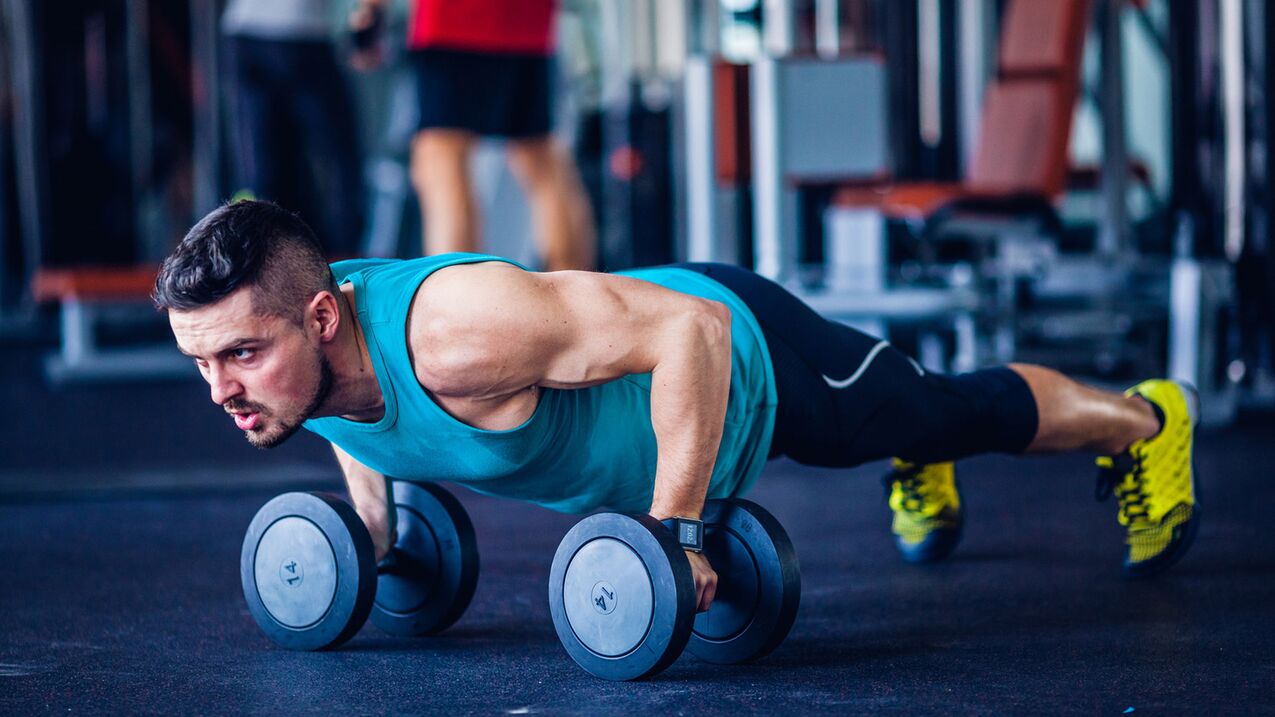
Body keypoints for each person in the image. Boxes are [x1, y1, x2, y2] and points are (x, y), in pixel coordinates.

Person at [155, 201, 1201, 613]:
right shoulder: (303, 378)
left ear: (326, 319)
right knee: (918, 420)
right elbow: (352, 417)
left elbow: (685, 337)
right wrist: (376, 534)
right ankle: (919, 455)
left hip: (736, 349)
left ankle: (1149, 421)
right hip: (661, 365)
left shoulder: (457, 331)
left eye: (239, 355)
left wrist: (677, 534)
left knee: (936, 414)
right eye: (202, 363)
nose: (223, 392)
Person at [348, 0, 595, 271]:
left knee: (441, 159)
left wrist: (370, 11)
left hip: (452, 22)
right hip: (529, 22)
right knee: (539, 156)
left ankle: (457, 295)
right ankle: (577, 290)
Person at [221, 0, 365, 256]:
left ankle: (269, 260)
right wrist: (367, 19)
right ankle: (343, 267)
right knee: (339, 160)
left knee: (264, 166)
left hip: (245, 29)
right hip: (301, 30)